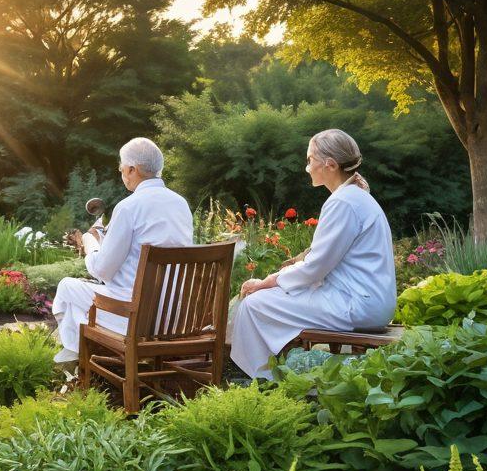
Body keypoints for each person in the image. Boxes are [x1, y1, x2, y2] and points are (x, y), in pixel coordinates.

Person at [229, 129, 397, 379]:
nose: (307, 167)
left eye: (310, 160)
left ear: (330, 164)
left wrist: (267, 281)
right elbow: (320, 263)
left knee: (255, 304)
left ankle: (263, 383)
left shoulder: (344, 202)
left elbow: (315, 267)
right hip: (366, 301)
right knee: (274, 296)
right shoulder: (354, 197)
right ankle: (278, 373)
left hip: (356, 304)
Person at [52, 138, 193, 362]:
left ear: (131, 170)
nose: (121, 174)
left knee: (67, 288)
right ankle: (83, 356)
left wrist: (90, 245)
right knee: (80, 298)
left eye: (121, 169)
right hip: (174, 316)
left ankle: (84, 359)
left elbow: (102, 270)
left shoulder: (128, 207)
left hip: (136, 317)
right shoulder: (180, 204)